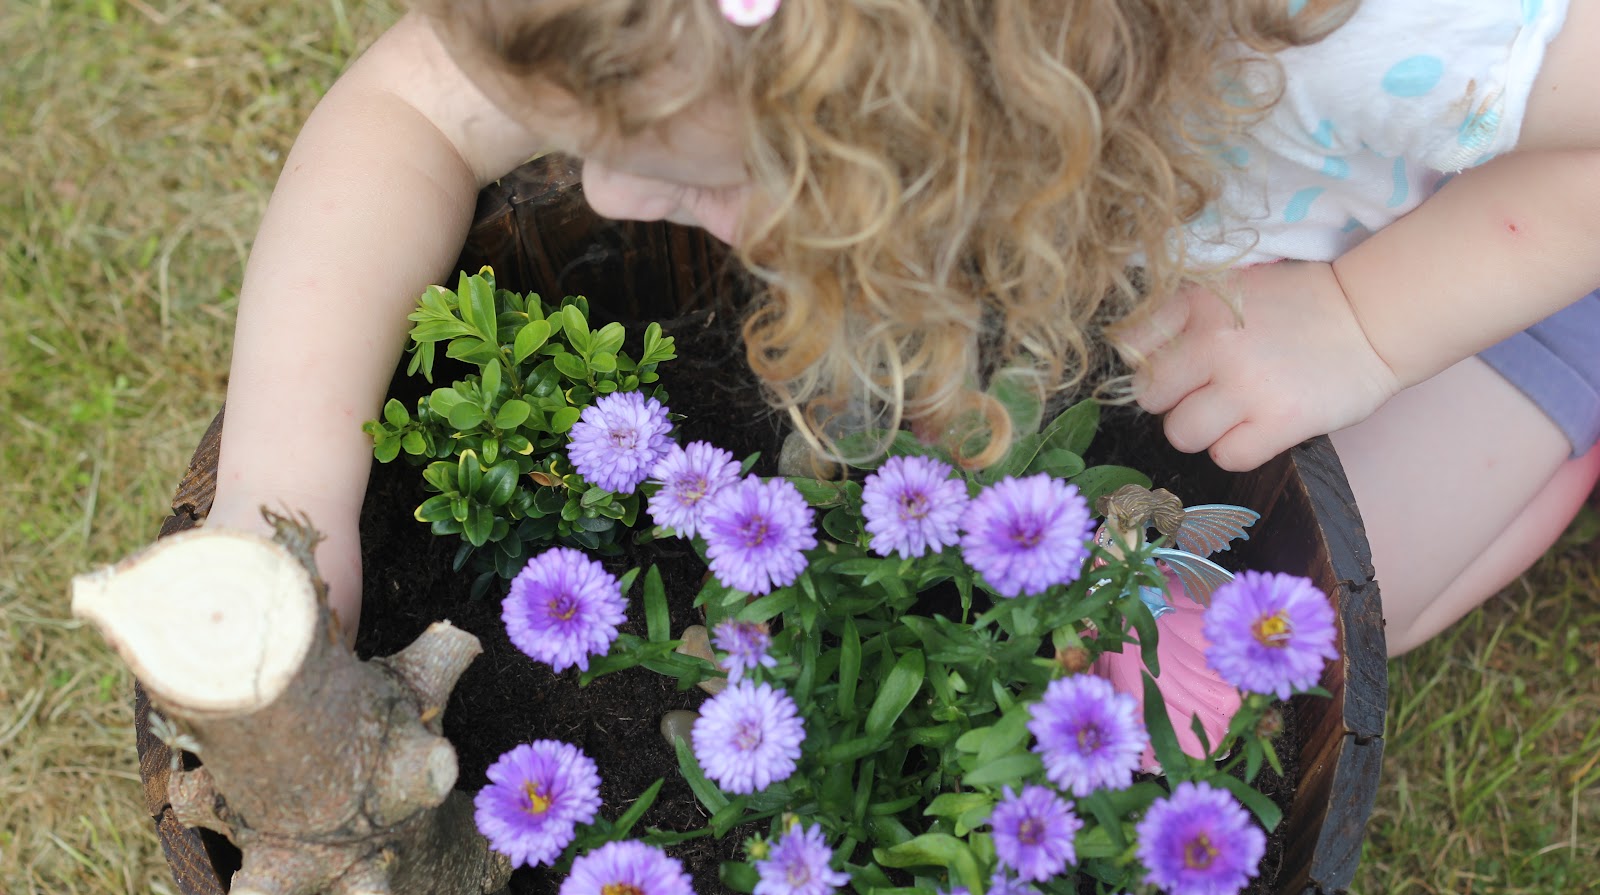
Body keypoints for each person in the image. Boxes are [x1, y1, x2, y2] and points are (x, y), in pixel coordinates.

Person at [205, 0, 1600, 656]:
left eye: (702, 177)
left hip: (1503, 214)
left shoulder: (1393, 29)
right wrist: (281, 508)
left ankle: (1542, 425)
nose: (609, 197)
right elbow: (411, 114)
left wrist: (1363, 322)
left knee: (1269, 637)